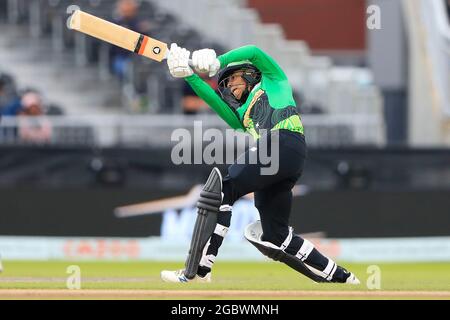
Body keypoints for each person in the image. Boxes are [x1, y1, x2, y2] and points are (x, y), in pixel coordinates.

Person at [160, 44, 360, 285]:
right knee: (276, 235)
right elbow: (213, 100)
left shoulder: (273, 79)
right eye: (225, 85)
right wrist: (189, 75)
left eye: (232, 79)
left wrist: (218, 62)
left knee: (222, 189)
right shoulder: (240, 115)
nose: (230, 88)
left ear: (248, 73)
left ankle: (199, 269)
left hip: (283, 141)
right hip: (283, 161)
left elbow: (255, 51)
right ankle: (343, 278)